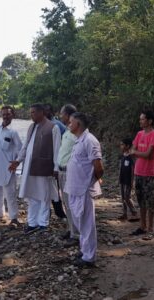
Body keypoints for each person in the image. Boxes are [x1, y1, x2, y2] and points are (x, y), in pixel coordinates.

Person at [9, 104, 61, 234]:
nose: (31, 115)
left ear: (41, 112)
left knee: (44, 195)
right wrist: (18, 160)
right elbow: (25, 146)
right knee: (31, 195)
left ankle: (43, 223)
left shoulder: (53, 128)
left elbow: (57, 149)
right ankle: (32, 222)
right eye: (30, 112)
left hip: (45, 167)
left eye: (33, 112)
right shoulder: (31, 127)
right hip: (30, 167)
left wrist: (56, 168)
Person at [64, 112, 103, 267]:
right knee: (79, 221)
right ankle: (84, 248)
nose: (68, 124)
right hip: (75, 188)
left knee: (87, 223)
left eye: (71, 122)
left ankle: (89, 257)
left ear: (78, 124)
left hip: (84, 189)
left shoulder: (90, 140)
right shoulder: (79, 139)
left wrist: (90, 183)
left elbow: (98, 167)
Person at [130, 111, 154, 240]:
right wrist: (136, 152)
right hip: (138, 172)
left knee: (150, 201)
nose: (140, 121)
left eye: (142, 119)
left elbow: (149, 155)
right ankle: (142, 226)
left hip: (149, 173)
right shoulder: (139, 134)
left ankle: (151, 228)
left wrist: (136, 153)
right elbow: (132, 149)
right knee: (141, 200)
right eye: (140, 119)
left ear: (149, 121)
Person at [57, 104, 80, 248]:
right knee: (66, 203)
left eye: (62, 114)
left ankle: (76, 234)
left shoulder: (76, 133)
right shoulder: (66, 131)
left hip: (69, 172)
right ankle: (71, 229)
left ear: (68, 115)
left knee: (72, 204)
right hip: (61, 171)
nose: (60, 116)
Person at [44, 103, 67, 220]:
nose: (45, 113)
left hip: (55, 161)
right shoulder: (42, 125)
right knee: (49, 188)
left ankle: (59, 213)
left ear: (51, 112)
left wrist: (57, 165)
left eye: (47, 111)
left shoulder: (56, 125)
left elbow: (63, 143)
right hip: (47, 161)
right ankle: (49, 213)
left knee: (54, 188)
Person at [118, 138, 138, 220]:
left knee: (127, 197)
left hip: (129, 180)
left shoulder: (131, 156)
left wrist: (132, 181)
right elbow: (121, 168)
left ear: (128, 146)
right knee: (123, 197)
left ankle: (134, 212)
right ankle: (124, 213)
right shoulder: (123, 156)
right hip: (122, 179)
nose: (121, 146)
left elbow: (133, 169)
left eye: (122, 145)